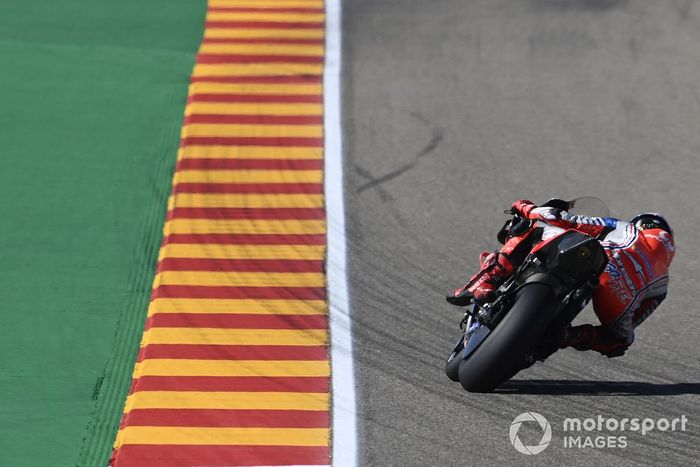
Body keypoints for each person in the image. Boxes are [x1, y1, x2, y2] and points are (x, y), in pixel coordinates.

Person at [446, 200, 675, 358]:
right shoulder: (663, 280)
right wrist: (615, 335)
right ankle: (563, 336)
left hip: (601, 263)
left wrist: (526, 208)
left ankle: (485, 280)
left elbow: (573, 221)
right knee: (619, 339)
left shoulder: (629, 229)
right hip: (617, 301)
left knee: (537, 226)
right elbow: (635, 321)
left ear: (643, 224)